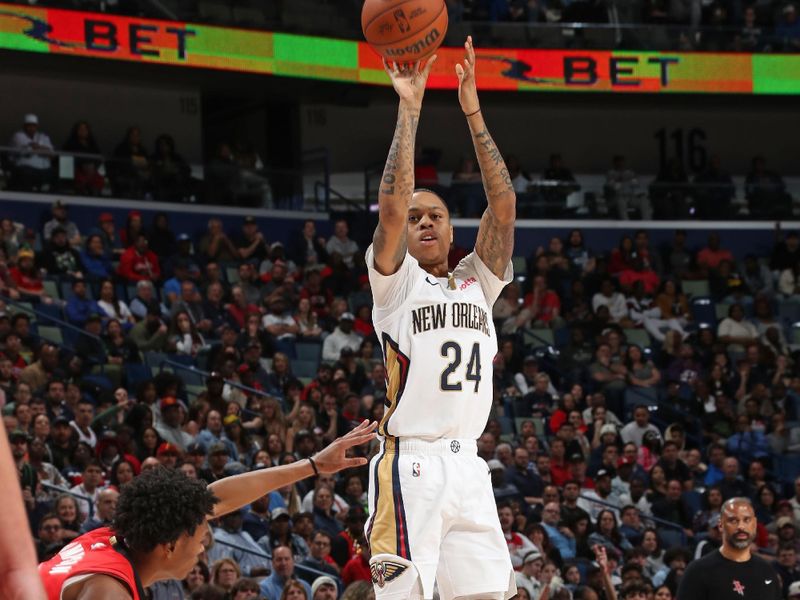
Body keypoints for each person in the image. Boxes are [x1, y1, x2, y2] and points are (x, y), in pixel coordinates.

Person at [365, 38, 516, 600]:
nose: (425, 222)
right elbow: (391, 204)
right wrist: (410, 108)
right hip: (413, 466)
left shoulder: (479, 278)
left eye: (437, 216)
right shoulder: (396, 282)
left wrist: (472, 109)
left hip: (470, 465)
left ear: (453, 232)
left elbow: (504, 207)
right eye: (416, 217)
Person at [39, 421, 376, 599]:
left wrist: (313, 465)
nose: (203, 549)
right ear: (170, 543)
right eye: (201, 540)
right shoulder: (108, 591)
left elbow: (217, 497)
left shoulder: (111, 540)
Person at [677, 497, 781, 600]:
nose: (741, 526)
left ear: (754, 524)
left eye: (747, 520)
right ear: (720, 525)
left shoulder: (767, 570)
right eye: (733, 520)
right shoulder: (698, 571)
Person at [1, 420, 47, 599]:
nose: (19, 446)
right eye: (15, 442)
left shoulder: (30, 471)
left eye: (22, 442)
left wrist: (29, 500)